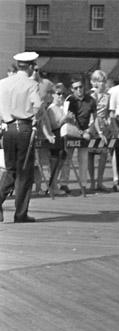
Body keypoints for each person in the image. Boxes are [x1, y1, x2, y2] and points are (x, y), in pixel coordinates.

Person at [0, 51, 44, 222]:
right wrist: (35, 120)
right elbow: (38, 107)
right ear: (31, 67)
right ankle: (20, 214)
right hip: (24, 129)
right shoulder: (31, 84)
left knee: (10, 170)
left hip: (8, 128)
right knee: (25, 173)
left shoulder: (3, 83)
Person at [65, 76, 98, 192]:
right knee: (67, 158)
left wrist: (89, 130)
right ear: (72, 90)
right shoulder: (69, 100)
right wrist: (80, 132)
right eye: (76, 88)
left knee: (83, 159)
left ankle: (83, 185)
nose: (79, 89)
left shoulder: (91, 100)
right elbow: (69, 119)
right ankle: (64, 184)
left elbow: (95, 119)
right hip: (72, 131)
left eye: (80, 87)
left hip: (86, 132)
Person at [88, 70, 114, 192]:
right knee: (90, 154)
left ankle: (100, 182)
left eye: (103, 81)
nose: (101, 84)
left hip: (103, 126)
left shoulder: (108, 96)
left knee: (103, 154)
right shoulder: (90, 96)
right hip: (92, 125)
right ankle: (92, 182)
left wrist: (109, 122)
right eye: (98, 81)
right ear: (93, 82)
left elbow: (109, 112)